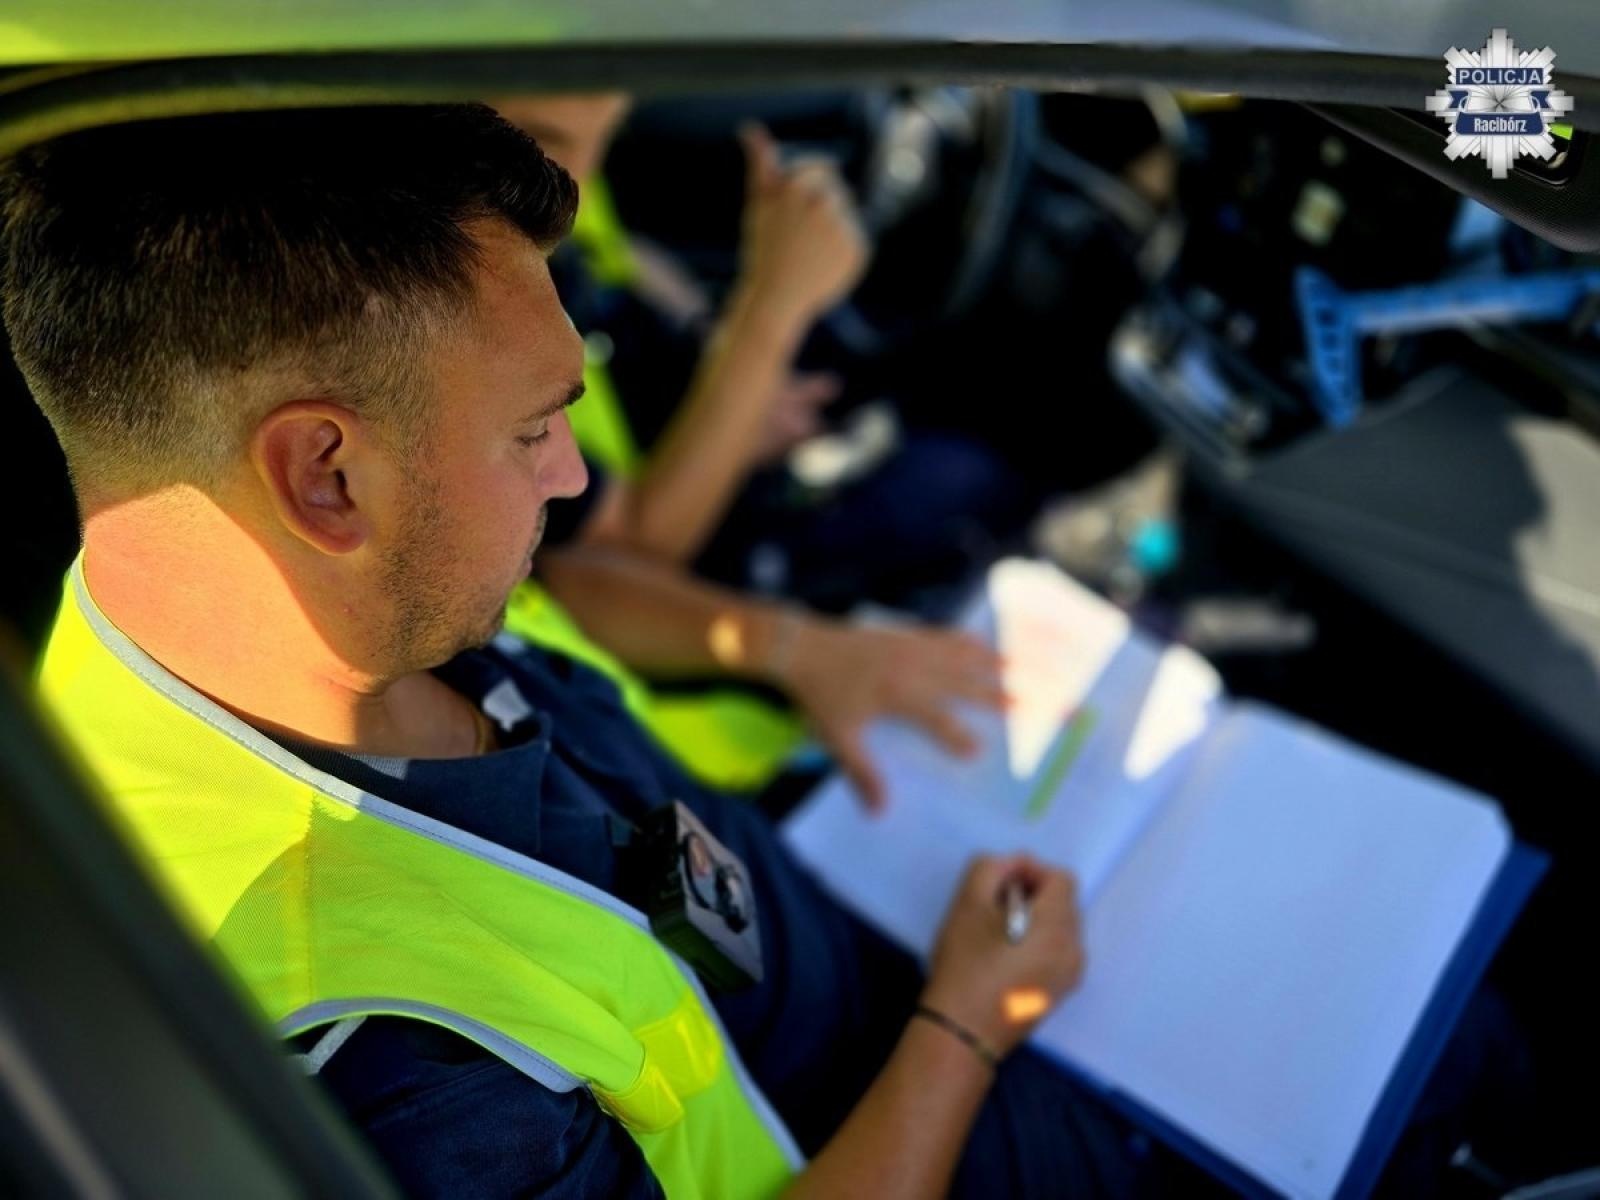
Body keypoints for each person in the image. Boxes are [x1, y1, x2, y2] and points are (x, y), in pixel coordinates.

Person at [5, 104, 1530, 1199]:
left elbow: (586, 603)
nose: (575, 479)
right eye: (537, 431)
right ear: (323, 474)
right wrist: (965, 1024)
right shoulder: (385, 1071)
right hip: (906, 1098)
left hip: (883, 928)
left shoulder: (264, 600)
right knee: (1454, 1044)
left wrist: (804, 652)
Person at [494, 93, 1038, 614]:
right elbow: (631, 545)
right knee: (971, 476)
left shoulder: (550, 181)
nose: (582, 175)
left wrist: (720, 349)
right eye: (548, 141)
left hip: (700, 410)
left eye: (609, 129)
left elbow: (614, 253)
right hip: (703, 552)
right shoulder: (471, 316)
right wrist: (771, 309)